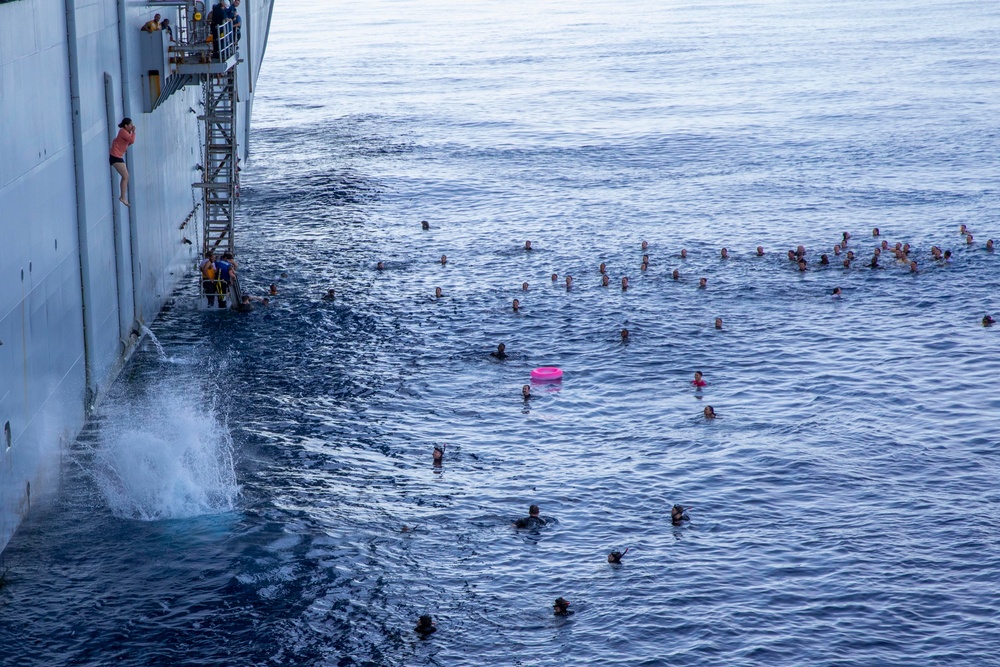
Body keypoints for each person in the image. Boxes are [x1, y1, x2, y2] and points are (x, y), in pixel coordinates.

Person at [109, 118, 136, 206]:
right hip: (115, 156)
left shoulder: (126, 133)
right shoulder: (122, 131)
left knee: (125, 176)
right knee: (125, 176)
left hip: (118, 156)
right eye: (130, 125)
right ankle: (123, 197)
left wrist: (131, 133)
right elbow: (132, 140)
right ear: (126, 126)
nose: (132, 126)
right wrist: (134, 132)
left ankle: (123, 197)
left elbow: (129, 142)